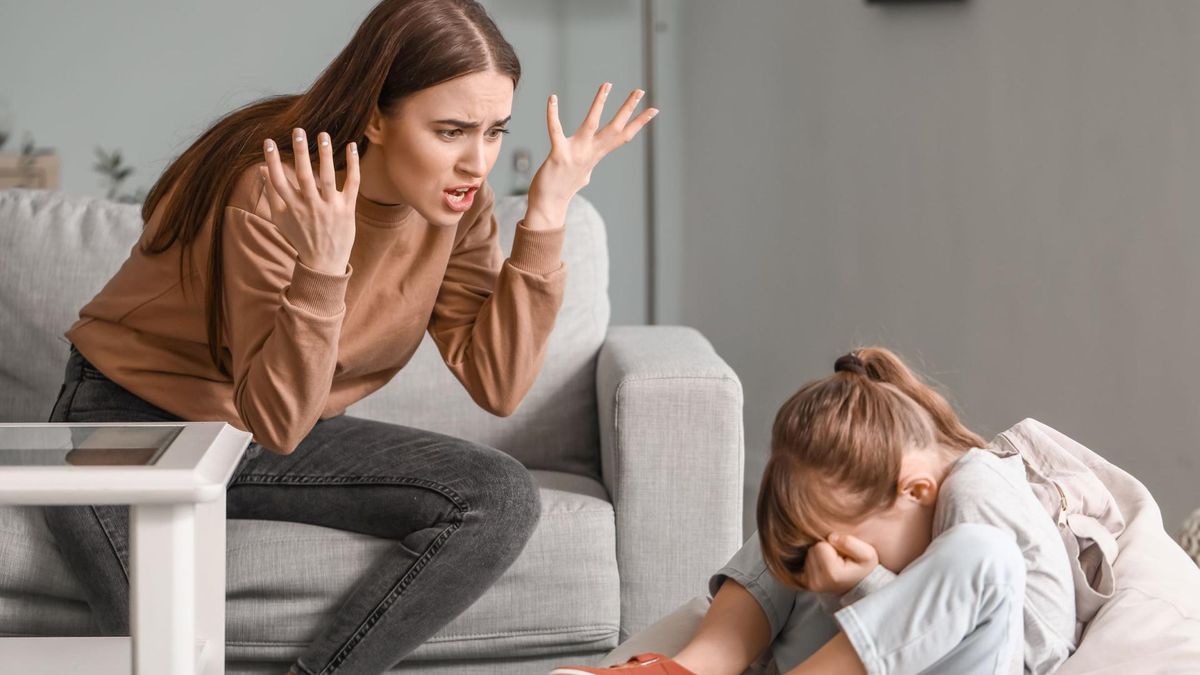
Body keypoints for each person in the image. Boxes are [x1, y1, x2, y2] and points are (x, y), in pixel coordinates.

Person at [42, 1, 657, 673]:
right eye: (451, 131)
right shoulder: (272, 191)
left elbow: (499, 383)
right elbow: (277, 419)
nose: (476, 162)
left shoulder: (460, 207)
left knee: (500, 495)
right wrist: (323, 267)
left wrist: (547, 213)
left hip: (267, 428)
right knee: (166, 650)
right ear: (375, 117)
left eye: (493, 133)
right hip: (133, 423)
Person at [552, 347, 1078, 675]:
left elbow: (1025, 655)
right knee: (799, 517)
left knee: (983, 555)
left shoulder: (977, 495)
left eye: (843, 543)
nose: (829, 556)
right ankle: (687, 670)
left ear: (915, 491)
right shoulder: (905, 491)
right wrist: (855, 580)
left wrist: (864, 585)